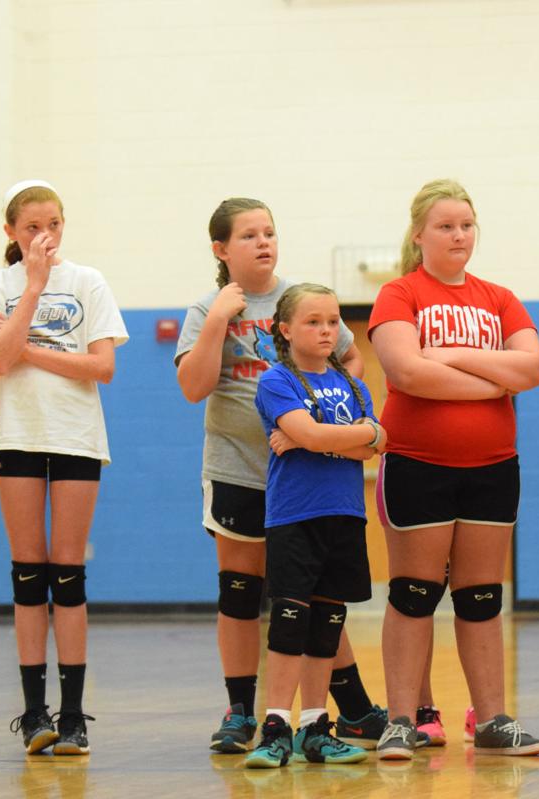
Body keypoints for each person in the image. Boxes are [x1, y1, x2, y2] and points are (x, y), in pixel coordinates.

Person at [176, 199, 386, 753]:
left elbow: (350, 364)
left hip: (306, 478)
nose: (264, 242)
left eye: (269, 232)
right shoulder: (207, 310)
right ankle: (241, 712)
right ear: (222, 249)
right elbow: (193, 387)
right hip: (237, 469)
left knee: (315, 595)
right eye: (249, 235)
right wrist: (221, 317)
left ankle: (352, 708)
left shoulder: (301, 303)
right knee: (241, 595)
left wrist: (316, 424)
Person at [369, 178, 539, 759]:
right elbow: (406, 373)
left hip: (493, 467)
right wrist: (493, 378)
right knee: (414, 593)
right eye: (445, 225)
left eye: (466, 224)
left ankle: (493, 719)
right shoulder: (399, 294)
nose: (458, 234)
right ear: (419, 233)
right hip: (419, 464)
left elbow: (533, 370)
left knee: (480, 597)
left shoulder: (499, 297)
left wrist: (446, 355)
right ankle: (401, 720)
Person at [0, 180, 128, 756]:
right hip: (15, 434)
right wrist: (33, 288)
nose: (46, 235)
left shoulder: (88, 281)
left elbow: (103, 367)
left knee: (68, 575)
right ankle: (34, 713)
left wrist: (25, 349)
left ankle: (72, 717)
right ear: (11, 232)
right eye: (33, 226)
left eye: (54, 223)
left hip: (76, 437)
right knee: (26, 575)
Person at [244, 283, 382, 768]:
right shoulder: (276, 380)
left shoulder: (355, 384)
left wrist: (316, 439)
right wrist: (332, 437)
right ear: (285, 329)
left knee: (327, 623)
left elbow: (374, 443)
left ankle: (315, 728)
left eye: (332, 321)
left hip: (344, 514)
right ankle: (276, 726)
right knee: (289, 621)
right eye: (313, 322)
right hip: (295, 516)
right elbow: (326, 433)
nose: (326, 331)